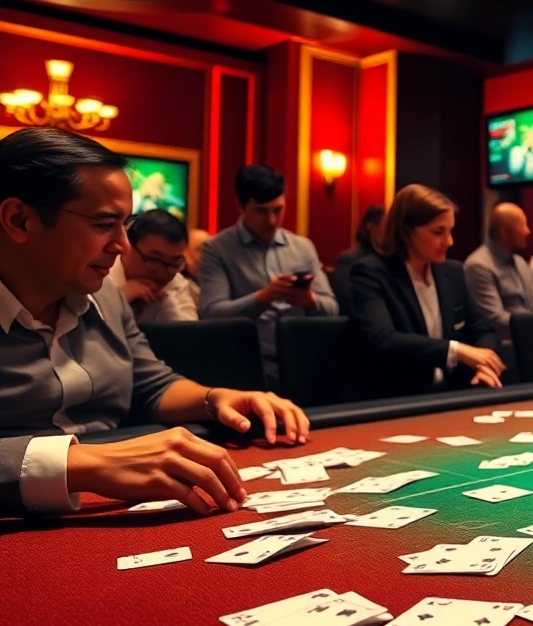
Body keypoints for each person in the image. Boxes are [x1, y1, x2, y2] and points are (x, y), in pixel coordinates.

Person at [0, 127, 308, 519]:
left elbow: (149, 384)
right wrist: (82, 465)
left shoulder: (106, 295)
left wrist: (216, 399)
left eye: (125, 225)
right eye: (102, 224)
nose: (122, 246)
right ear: (19, 219)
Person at [348, 185, 504, 398]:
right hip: (398, 400)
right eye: (438, 232)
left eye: (450, 231)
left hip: (453, 395)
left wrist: (483, 364)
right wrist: (457, 350)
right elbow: (382, 340)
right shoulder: (371, 272)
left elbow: (483, 328)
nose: (449, 241)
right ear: (406, 231)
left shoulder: (453, 272)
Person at [198, 165, 339, 387]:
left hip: (305, 364)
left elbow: (332, 309)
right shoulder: (217, 249)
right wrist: (264, 297)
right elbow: (211, 314)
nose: (272, 220)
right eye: (261, 211)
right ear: (240, 206)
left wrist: (310, 302)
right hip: (245, 367)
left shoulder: (303, 247)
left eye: (278, 210)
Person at [464, 202, 533, 369]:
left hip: (532, 343)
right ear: (505, 231)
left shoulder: (521, 263)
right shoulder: (478, 265)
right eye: (523, 225)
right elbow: (494, 319)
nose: (528, 231)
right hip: (503, 350)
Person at [108, 208, 198, 322]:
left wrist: (167, 305)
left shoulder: (177, 283)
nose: (162, 274)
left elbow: (190, 336)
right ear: (127, 246)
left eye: (174, 263)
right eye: (154, 260)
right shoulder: (99, 276)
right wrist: (119, 299)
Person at [331, 204, 385, 313]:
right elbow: (345, 302)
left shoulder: (392, 260)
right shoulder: (349, 260)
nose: (391, 232)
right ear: (370, 227)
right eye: (387, 226)